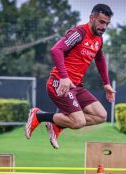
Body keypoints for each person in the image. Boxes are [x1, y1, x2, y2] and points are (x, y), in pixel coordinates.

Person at [25, 4, 116, 149]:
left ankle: (57, 125)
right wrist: (64, 77)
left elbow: (99, 59)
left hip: (76, 87)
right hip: (58, 83)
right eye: (101, 22)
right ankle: (39, 115)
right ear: (91, 18)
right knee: (78, 122)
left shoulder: (99, 39)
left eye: (107, 23)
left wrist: (106, 83)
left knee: (101, 115)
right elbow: (56, 50)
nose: (104, 27)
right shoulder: (79, 32)